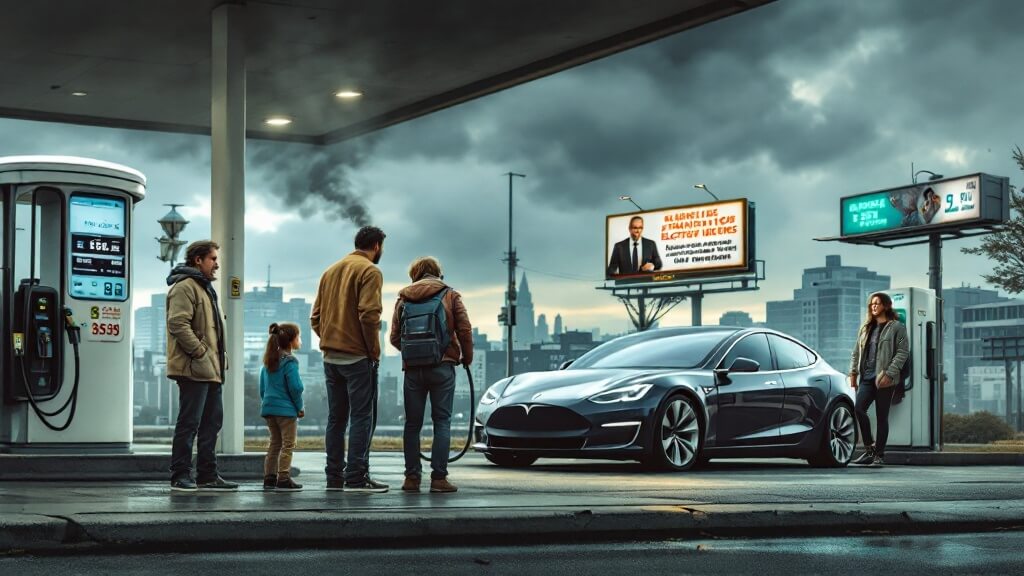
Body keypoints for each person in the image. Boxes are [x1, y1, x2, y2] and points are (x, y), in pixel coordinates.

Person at [311, 225, 389, 493]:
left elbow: (315, 317)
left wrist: (330, 338)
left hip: (330, 358)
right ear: (376, 246)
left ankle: (334, 476)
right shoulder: (370, 271)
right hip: (357, 358)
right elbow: (369, 315)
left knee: (336, 419)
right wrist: (373, 351)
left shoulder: (330, 271)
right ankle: (356, 477)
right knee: (361, 417)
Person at [389, 257, 473, 494]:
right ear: (438, 273)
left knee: (412, 425)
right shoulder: (450, 295)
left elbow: (395, 338)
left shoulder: (403, 298)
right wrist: (466, 356)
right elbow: (464, 330)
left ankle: (411, 479)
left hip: (413, 370)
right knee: (442, 422)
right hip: (442, 366)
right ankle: (439, 479)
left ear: (414, 274)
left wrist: (415, 352)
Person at [166, 240, 237, 492]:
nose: (217, 264)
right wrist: (199, 352)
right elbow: (178, 323)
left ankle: (207, 474)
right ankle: (180, 475)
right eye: (213, 259)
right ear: (198, 260)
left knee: (211, 424)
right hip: (195, 368)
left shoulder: (205, 289)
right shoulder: (185, 288)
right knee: (189, 423)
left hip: (212, 369)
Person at [848, 292, 909, 468]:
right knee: (859, 409)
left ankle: (879, 456)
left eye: (877, 303)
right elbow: (856, 353)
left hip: (885, 379)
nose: (874, 306)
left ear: (886, 306)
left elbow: (902, 352)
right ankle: (869, 450)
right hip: (866, 378)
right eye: (872, 304)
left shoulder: (896, 327)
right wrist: (853, 373)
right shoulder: (866, 328)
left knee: (882, 417)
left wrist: (889, 373)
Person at [259, 322, 305, 492]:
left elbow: (263, 388)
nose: (300, 340)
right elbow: (296, 388)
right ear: (291, 340)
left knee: (274, 444)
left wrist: (268, 403)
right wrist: (299, 407)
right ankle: (283, 477)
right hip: (286, 411)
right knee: (288, 444)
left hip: (269, 409)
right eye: (298, 337)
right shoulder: (290, 362)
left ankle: (269, 477)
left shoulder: (268, 361)